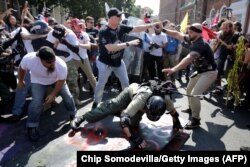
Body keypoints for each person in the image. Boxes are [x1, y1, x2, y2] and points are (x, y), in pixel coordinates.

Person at [70, 80, 183, 149]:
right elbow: (124, 120)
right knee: (112, 107)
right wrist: (133, 139)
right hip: (130, 93)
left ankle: (121, 110)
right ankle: (82, 117)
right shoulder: (141, 99)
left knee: (133, 124)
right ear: (147, 107)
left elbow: (173, 112)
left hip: (140, 106)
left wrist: (176, 123)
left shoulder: (166, 100)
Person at [92, 7, 160, 109]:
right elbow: (110, 48)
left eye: (120, 15)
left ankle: (126, 101)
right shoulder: (103, 31)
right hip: (105, 63)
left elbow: (137, 28)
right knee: (101, 84)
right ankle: (96, 103)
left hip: (118, 61)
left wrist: (151, 25)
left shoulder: (121, 27)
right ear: (110, 18)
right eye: (118, 16)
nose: (120, 17)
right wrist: (129, 43)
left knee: (125, 82)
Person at [162, 23, 218, 129]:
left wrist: (174, 69)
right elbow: (177, 34)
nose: (188, 33)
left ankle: (196, 120)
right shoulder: (192, 39)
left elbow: (189, 58)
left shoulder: (200, 44)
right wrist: (164, 30)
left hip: (209, 72)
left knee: (194, 94)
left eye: (191, 32)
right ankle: (191, 108)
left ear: (198, 33)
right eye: (188, 31)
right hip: (200, 71)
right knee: (188, 90)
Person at [18, 46, 77, 141]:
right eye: (49, 62)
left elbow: (62, 80)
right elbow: (22, 68)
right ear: (40, 59)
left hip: (56, 80)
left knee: (68, 97)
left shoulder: (60, 64)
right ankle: (32, 127)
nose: (52, 64)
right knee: (36, 103)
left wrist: (53, 94)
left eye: (53, 60)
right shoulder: (29, 59)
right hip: (38, 81)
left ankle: (73, 115)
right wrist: (20, 81)